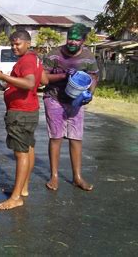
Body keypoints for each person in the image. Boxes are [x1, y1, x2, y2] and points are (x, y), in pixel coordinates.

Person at [0, 30, 45, 210]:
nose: (14, 47)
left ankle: (15, 197)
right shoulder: (35, 59)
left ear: (28, 43)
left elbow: (29, 83)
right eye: (12, 44)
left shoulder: (27, 60)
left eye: (18, 43)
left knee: (20, 153)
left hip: (20, 113)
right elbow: (42, 79)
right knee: (28, 148)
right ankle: (24, 188)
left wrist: (3, 76)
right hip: (30, 110)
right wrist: (11, 84)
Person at [43, 23, 99, 191]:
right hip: (54, 98)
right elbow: (43, 78)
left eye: (77, 40)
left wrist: (90, 92)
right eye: (70, 39)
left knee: (76, 138)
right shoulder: (54, 54)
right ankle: (54, 176)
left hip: (76, 101)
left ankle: (77, 177)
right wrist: (63, 75)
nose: (72, 42)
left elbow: (94, 76)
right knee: (56, 137)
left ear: (83, 40)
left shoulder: (89, 56)